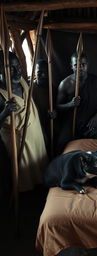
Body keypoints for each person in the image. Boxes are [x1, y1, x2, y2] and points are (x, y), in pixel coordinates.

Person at [0, 51, 48, 192]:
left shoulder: (21, 80)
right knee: (25, 176)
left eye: (18, 67)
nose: (16, 72)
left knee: (39, 169)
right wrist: (5, 112)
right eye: (11, 69)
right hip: (19, 141)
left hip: (35, 134)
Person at [56, 52, 97, 153]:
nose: (80, 68)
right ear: (71, 66)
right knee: (60, 145)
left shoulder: (96, 81)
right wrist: (70, 104)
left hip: (91, 121)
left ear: (87, 65)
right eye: (76, 65)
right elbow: (58, 106)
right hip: (72, 122)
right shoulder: (65, 84)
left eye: (83, 65)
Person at [33, 59, 56, 155]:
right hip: (35, 126)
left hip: (50, 124)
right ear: (34, 73)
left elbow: (58, 108)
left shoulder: (53, 89)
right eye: (39, 72)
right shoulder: (30, 90)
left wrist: (55, 114)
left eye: (46, 72)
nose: (43, 75)